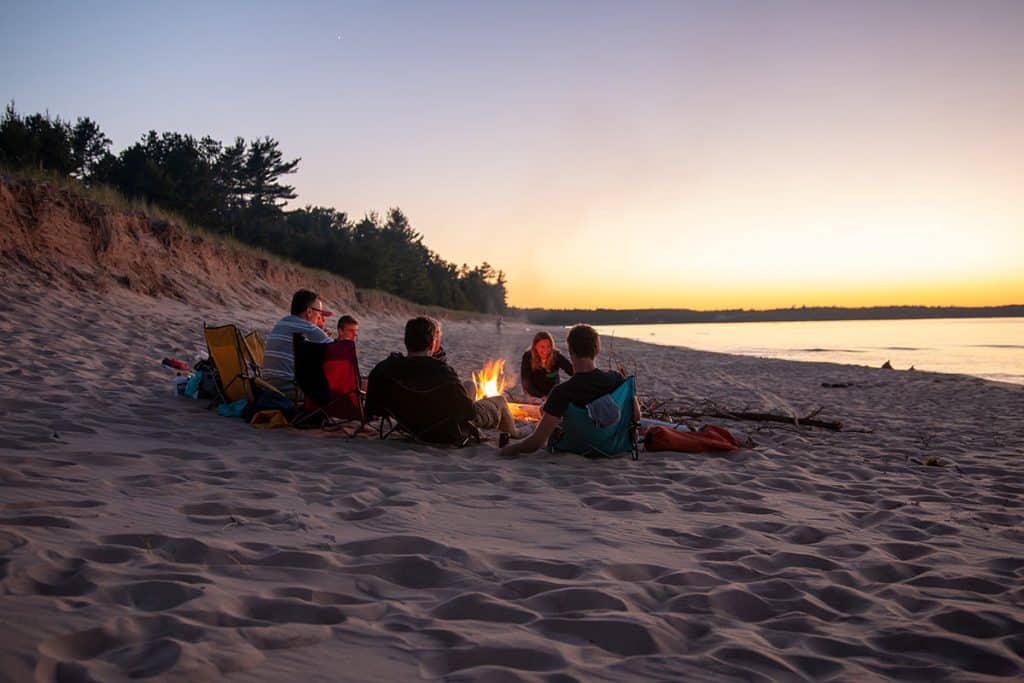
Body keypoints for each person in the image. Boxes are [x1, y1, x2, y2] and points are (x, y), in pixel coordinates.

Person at [364, 316, 518, 438]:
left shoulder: (386, 368)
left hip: (409, 425)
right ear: (432, 344)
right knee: (500, 400)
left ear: (406, 341)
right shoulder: (442, 372)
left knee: (469, 385)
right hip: (444, 430)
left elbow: (373, 408)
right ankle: (514, 436)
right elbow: (467, 412)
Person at [500, 324, 641, 457]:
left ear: (571, 351)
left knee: (545, 414)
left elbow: (536, 442)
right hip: (613, 447)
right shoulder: (616, 379)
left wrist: (510, 449)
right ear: (597, 349)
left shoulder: (562, 392)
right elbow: (636, 416)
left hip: (576, 447)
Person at [263, 289, 332, 393]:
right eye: (320, 313)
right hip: (288, 390)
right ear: (309, 312)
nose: (320, 317)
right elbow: (337, 351)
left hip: (268, 387)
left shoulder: (281, 323)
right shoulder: (307, 327)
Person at [520, 331, 574, 399]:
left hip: (552, 393)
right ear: (535, 346)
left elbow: (571, 370)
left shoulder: (556, 356)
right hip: (534, 394)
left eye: (549, 346)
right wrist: (540, 397)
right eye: (542, 347)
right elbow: (526, 381)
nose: (546, 350)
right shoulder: (528, 356)